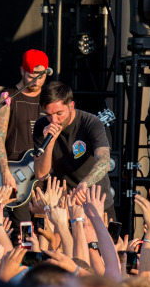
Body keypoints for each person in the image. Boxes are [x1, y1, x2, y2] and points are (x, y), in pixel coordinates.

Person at [32, 81, 116, 220]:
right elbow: (41, 174)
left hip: (95, 200)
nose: (54, 120)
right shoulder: (41, 127)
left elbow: (104, 161)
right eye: (48, 115)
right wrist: (50, 142)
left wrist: (84, 184)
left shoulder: (90, 122)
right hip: (65, 203)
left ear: (71, 106)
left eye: (59, 113)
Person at [0, 49, 49, 235]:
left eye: (41, 76)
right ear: (22, 71)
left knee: (45, 232)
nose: (37, 81)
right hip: (18, 175)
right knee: (23, 232)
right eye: (32, 76)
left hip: (44, 175)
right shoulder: (8, 97)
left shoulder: (50, 100)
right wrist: (5, 172)